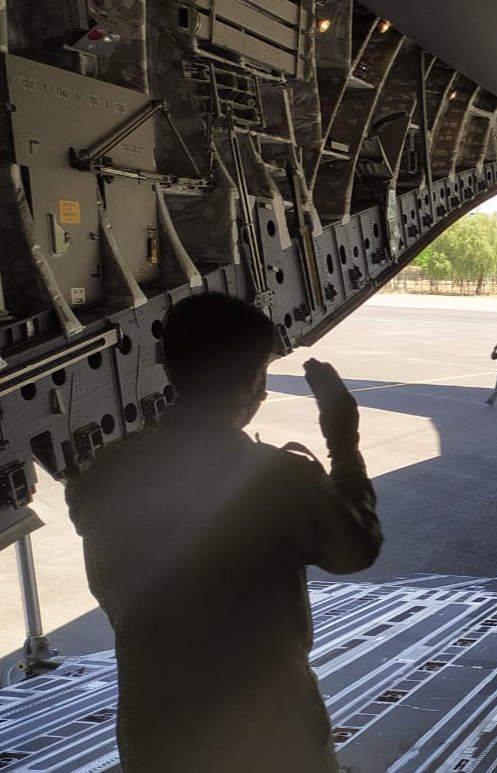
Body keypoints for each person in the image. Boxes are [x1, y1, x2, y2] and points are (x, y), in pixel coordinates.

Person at [65, 293, 382, 773]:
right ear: (255, 380)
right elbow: (356, 548)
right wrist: (343, 439)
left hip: (157, 734)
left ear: (171, 369)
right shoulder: (276, 479)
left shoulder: (107, 473)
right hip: (270, 736)